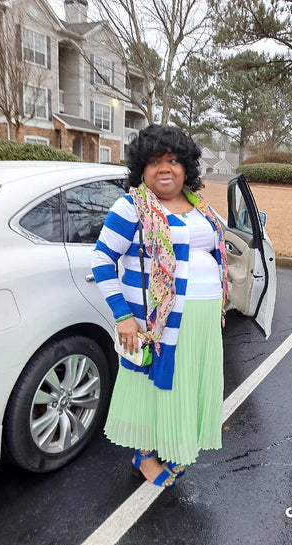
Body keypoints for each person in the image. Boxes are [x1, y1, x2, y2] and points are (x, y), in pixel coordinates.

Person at [91, 124, 228, 487]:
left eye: (173, 160)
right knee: (153, 388)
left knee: (185, 384)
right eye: (154, 162)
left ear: (186, 167)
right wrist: (123, 316)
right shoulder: (132, 206)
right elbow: (102, 260)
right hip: (159, 323)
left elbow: (215, 250)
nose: (164, 169)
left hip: (202, 316)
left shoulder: (199, 205)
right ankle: (144, 454)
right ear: (142, 169)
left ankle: (172, 443)